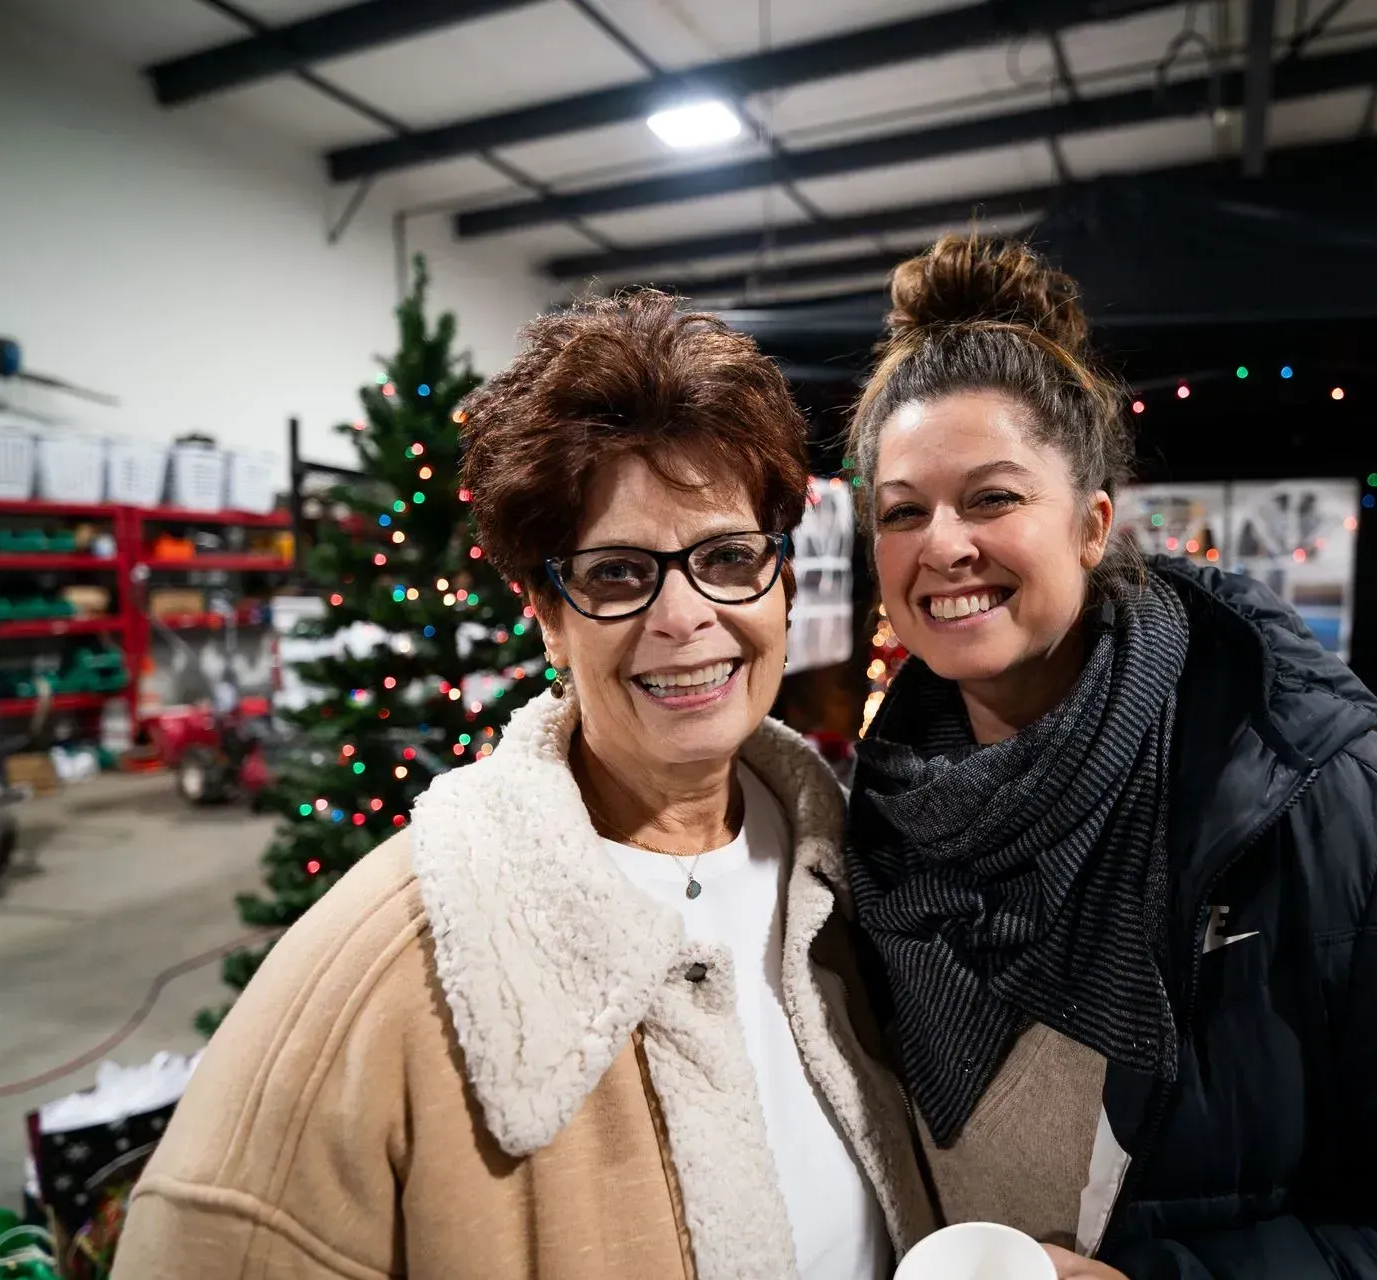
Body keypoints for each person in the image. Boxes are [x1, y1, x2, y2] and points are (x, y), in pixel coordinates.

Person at [841, 235, 1377, 1280]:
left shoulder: (1342, 816)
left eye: (993, 497)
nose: (941, 544)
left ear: (1093, 524)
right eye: (902, 510)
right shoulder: (881, 815)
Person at [114, 292, 934, 1280]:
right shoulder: (390, 961)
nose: (686, 615)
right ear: (548, 612)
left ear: (782, 583)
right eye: (621, 572)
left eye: (726, 557)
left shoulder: (854, 878)